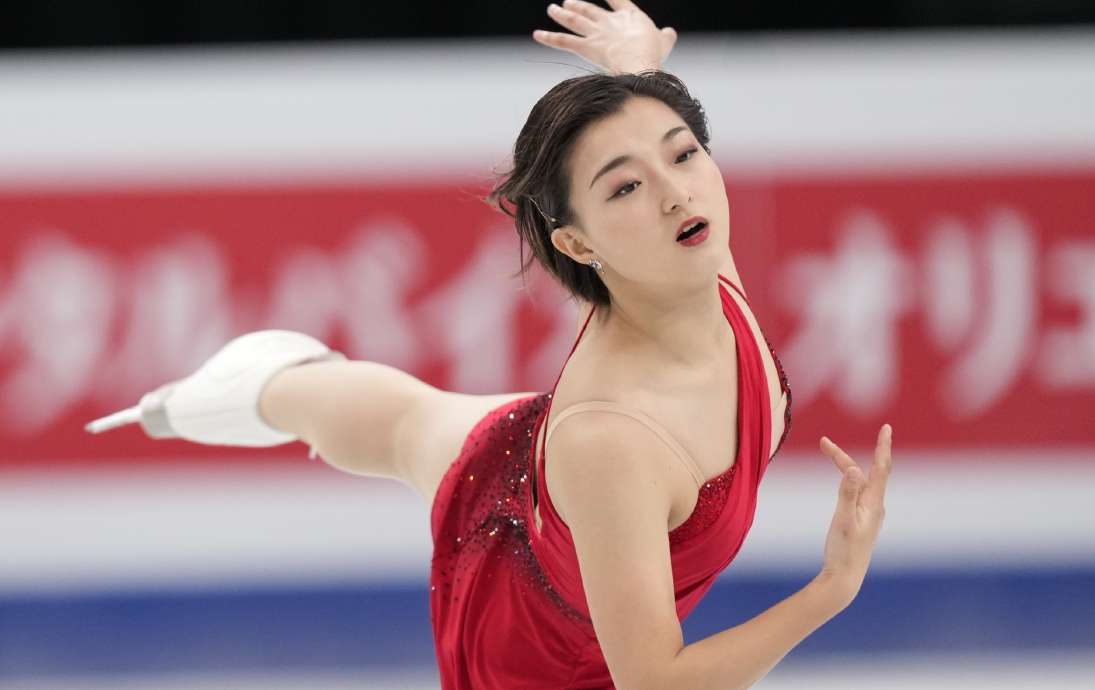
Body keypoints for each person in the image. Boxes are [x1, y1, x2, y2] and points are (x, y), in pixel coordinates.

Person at [87, 2, 893, 688]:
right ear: (578, 245)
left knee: (415, 424)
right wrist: (831, 589)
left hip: (536, 471)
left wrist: (635, 70)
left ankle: (276, 379)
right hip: (533, 649)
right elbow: (654, 679)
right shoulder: (611, 438)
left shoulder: (696, 257)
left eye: (684, 153)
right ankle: (254, 389)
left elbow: (653, 140)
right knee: (405, 432)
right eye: (625, 186)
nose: (677, 189)